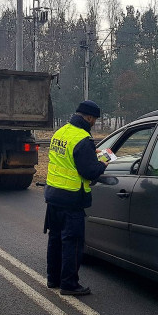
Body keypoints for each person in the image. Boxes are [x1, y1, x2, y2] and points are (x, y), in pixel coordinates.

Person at [44, 100, 107, 296]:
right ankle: (69, 284)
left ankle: (52, 279)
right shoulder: (83, 138)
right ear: (89, 117)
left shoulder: (61, 132)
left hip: (53, 195)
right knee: (72, 242)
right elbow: (89, 171)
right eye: (94, 119)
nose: (94, 123)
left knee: (55, 239)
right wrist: (103, 162)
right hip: (72, 199)